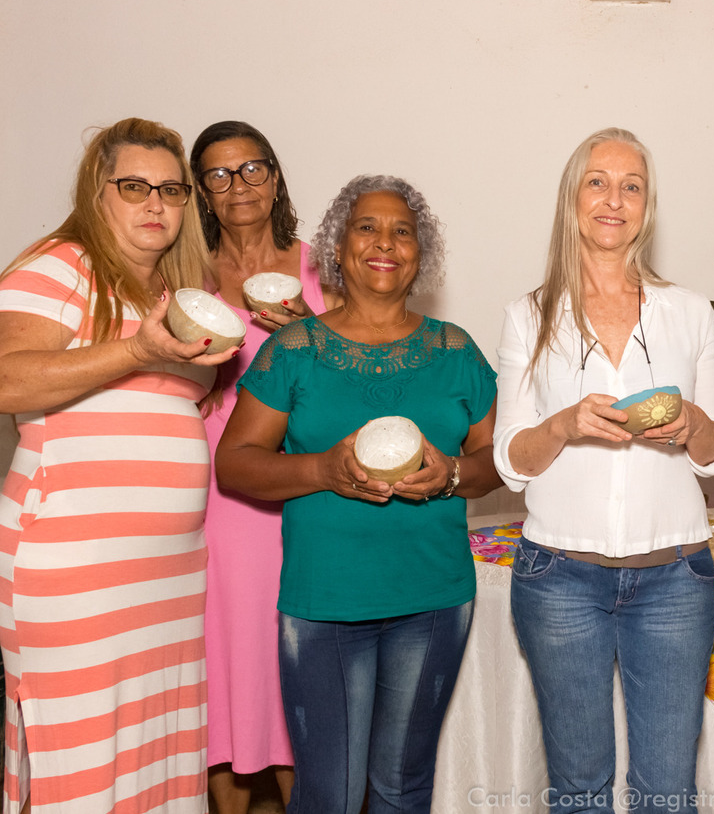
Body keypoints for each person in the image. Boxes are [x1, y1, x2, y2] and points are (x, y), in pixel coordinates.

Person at [215, 174, 499, 813]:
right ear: (337, 251)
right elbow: (234, 464)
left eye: (403, 231)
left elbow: (494, 464)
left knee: (403, 788)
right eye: (366, 227)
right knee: (331, 795)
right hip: (324, 604)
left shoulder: (456, 351)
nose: (385, 243)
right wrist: (322, 471)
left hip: (433, 601)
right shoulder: (294, 349)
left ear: (419, 256)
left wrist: (451, 474)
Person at [494, 127, 714, 814]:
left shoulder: (689, 313)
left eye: (632, 186)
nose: (614, 198)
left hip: (674, 578)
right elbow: (511, 460)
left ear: (647, 206)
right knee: (578, 791)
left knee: (668, 791)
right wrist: (564, 424)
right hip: (558, 578)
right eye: (598, 181)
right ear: (572, 196)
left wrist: (692, 424)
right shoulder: (530, 317)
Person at [0, 117, 239, 812]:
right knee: (79, 755)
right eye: (134, 186)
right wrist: (139, 350)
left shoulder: (178, 290)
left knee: (156, 755)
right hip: (71, 570)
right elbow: (7, 378)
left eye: (171, 189)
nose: (156, 204)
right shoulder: (62, 266)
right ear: (97, 192)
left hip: (165, 575)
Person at [190, 120, 341, 812]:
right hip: (207, 495)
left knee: (292, 666)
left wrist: (308, 328)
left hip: (297, 490)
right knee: (220, 660)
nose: (238, 186)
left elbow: (354, 381)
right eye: (218, 175)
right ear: (202, 191)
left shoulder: (320, 268)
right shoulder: (184, 274)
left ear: (275, 177)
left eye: (252, 169)